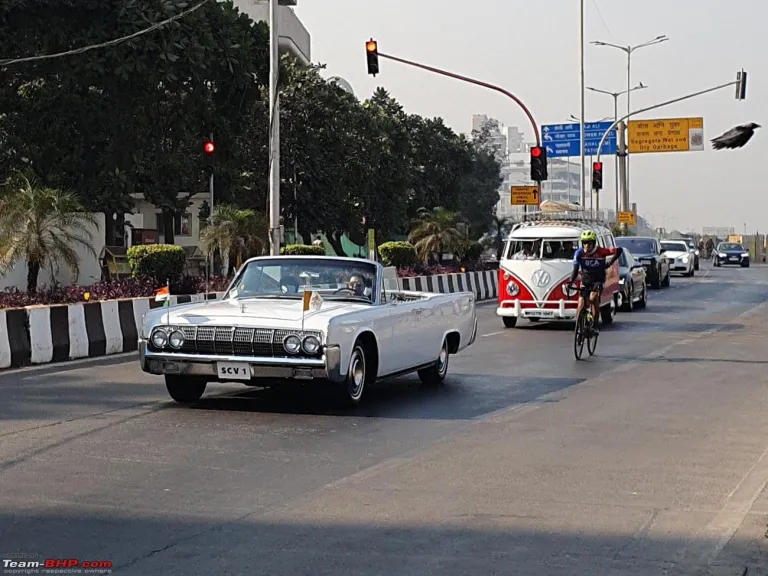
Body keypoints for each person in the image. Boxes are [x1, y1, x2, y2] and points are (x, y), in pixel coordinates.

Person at [567, 230, 623, 333]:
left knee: (593, 298)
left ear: (594, 243)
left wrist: (609, 263)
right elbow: (575, 270)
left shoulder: (601, 251)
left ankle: (595, 325)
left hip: (598, 280)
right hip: (586, 280)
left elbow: (619, 250)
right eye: (584, 243)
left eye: (589, 243)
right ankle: (580, 329)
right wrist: (570, 282)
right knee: (580, 305)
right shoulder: (579, 253)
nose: (586, 245)